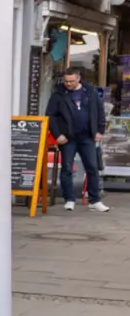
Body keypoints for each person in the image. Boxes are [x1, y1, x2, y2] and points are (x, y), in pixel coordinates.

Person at [49, 65, 108, 212]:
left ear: (78, 78)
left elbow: (99, 112)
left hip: (88, 136)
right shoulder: (58, 94)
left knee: (93, 168)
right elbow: (50, 116)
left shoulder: (90, 92)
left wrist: (100, 130)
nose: (68, 84)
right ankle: (69, 199)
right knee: (67, 168)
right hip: (68, 138)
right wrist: (58, 135)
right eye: (66, 81)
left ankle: (94, 200)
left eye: (72, 81)